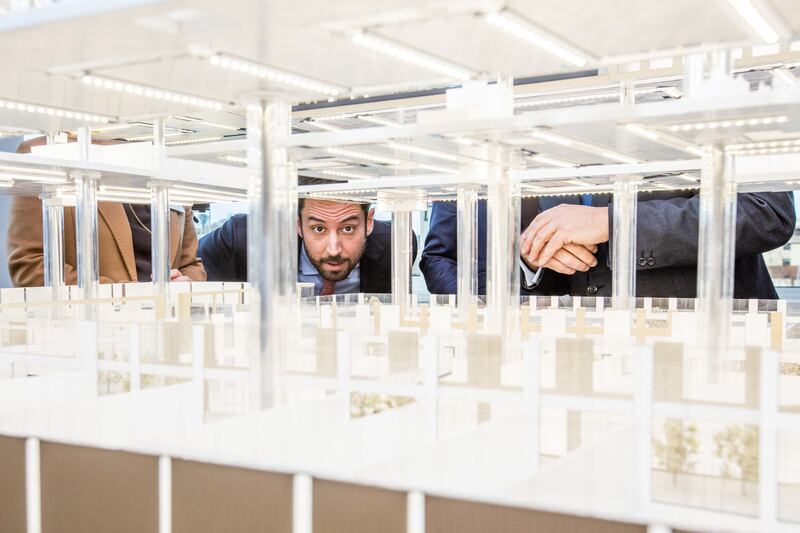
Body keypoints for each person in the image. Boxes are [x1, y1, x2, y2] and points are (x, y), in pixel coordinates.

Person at [421, 190, 795, 299]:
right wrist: (537, 253)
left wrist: (611, 223)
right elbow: (562, 272)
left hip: (716, 344)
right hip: (600, 355)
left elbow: (767, 213)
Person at [6, 137, 206, 287]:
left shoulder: (163, 159)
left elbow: (192, 265)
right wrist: (123, 296)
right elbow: (30, 265)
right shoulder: (49, 150)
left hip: (163, 325)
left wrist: (187, 283)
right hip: (90, 328)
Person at [198, 178, 417, 295]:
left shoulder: (396, 243)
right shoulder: (241, 238)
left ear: (368, 222)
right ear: (298, 225)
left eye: (348, 228)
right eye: (319, 229)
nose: (333, 249)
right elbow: (190, 273)